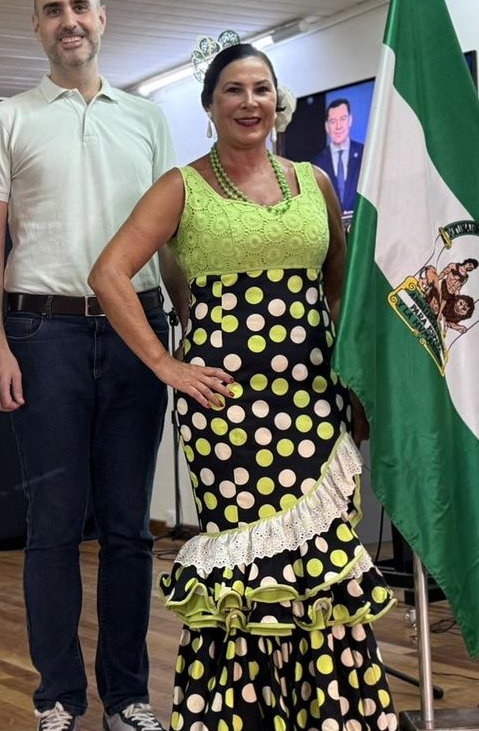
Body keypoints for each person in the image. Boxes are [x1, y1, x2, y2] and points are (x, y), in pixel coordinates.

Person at [89, 43, 399, 730]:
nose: (250, 101)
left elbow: (339, 280)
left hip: (313, 400)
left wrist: (348, 377)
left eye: (262, 88)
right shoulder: (182, 186)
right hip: (224, 409)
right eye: (233, 89)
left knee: (324, 559)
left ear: (277, 101)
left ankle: (333, 717)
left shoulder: (314, 182)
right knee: (250, 570)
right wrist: (168, 365)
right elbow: (109, 273)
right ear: (210, 105)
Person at [0, 0, 182, 731]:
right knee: (54, 524)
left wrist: (185, 332)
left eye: (80, 7)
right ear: (36, 28)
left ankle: (127, 696)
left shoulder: (148, 117)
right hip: (42, 333)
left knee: (129, 527)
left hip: (139, 332)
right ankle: (57, 697)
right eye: (53, 10)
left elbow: (169, 234)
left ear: (103, 18)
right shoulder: (9, 119)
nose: (70, 20)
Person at [311, 97, 365, 208]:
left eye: (343, 119)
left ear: (350, 121)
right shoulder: (316, 163)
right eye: (333, 121)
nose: (338, 126)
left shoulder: (365, 154)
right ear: (327, 127)